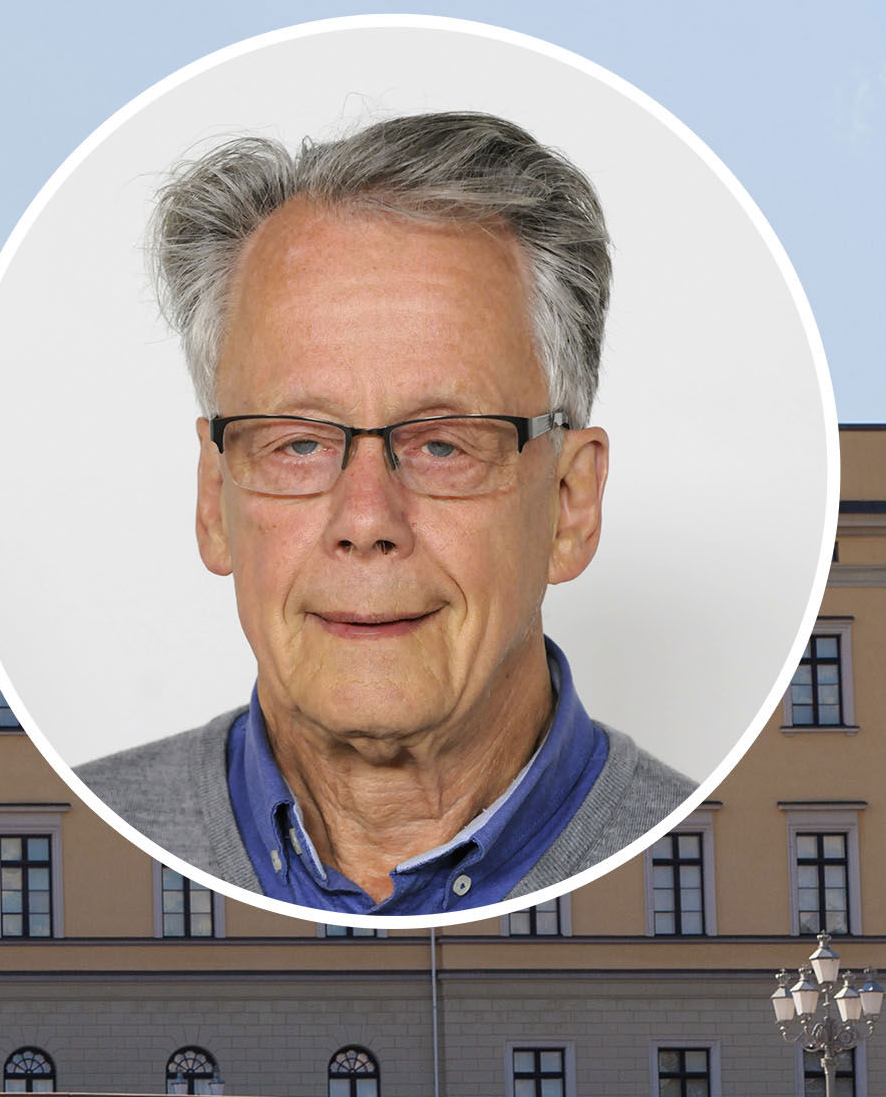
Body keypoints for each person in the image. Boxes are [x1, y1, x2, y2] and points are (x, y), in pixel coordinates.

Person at [79, 111, 693, 919]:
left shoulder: (697, 849)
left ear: (570, 505)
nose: (366, 519)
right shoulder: (90, 829)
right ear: (214, 498)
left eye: (444, 445)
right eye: (297, 445)